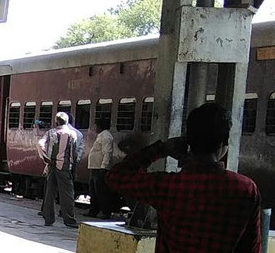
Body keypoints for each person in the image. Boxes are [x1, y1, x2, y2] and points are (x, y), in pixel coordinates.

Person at [107, 103, 261, 252]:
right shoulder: (245, 189)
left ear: (188, 141)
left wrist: (161, 149)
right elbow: (251, 247)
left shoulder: (167, 186)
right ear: (224, 143)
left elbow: (116, 175)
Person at [37, 112, 79, 228]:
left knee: (50, 192)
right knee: (67, 193)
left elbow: (40, 144)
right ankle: (69, 220)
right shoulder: (72, 134)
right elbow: (73, 153)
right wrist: (73, 166)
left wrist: (45, 158)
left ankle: (48, 219)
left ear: (56, 121)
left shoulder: (50, 133)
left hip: (51, 165)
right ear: (67, 122)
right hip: (64, 166)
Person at [86, 117, 114, 219]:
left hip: (100, 168)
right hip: (95, 167)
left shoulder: (106, 137)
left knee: (101, 191)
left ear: (100, 126)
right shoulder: (102, 136)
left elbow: (107, 153)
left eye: (95, 125)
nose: (94, 127)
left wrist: (104, 166)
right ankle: (94, 210)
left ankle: (105, 211)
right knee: (94, 190)